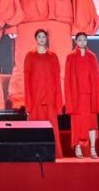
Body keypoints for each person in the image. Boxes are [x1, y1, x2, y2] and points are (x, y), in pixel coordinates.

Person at [24, 28, 64, 158]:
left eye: (44, 37)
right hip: (36, 98)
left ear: (47, 39)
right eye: (39, 37)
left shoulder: (53, 57)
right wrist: (28, 104)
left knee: (52, 129)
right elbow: (27, 81)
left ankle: (53, 154)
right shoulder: (30, 56)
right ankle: (34, 154)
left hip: (50, 98)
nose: (42, 39)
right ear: (36, 39)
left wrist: (58, 103)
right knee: (35, 129)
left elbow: (57, 80)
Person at [64, 32, 99, 159]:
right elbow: (67, 79)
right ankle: (77, 146)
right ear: (76, 41)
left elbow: (96, 78)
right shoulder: (70, 57)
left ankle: (93, 148)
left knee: (92, 123)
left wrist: (97, 97)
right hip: (76, 97)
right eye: (80, 40)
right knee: (77, 123)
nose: (82, 42)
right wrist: (69, 98)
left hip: (90, 96)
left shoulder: (92, 57)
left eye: (84, 39)